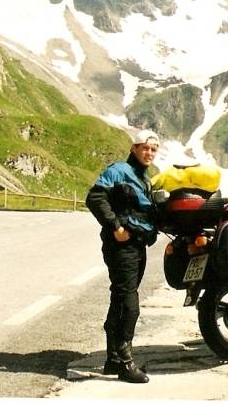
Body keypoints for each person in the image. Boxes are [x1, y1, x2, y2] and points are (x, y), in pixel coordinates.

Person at [85, 129, 160, 384]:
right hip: (122, 247)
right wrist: (115, 227)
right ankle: (127, 364)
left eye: (153, 149)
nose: (149, 153)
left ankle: (113, 360)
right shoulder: (118, 170)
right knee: (129, 303)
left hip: (137, 245)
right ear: (134, 148)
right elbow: (95, 197)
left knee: (119, 298)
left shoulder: (145, 179)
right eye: (144, 148)